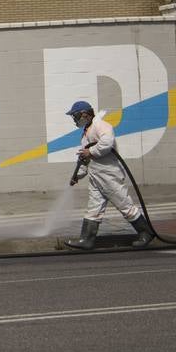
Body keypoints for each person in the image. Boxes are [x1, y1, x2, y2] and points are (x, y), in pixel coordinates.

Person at [64, 100, 155, 250]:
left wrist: (91, 151)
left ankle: (146, 232)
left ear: (85, 114)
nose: (74, 120)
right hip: (96, 176)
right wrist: (78, 175)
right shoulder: (86, 133)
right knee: (94, 208)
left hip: (108, 175)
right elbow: (85, 158)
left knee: (124, 205)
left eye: (75, 116)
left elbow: (107, 142)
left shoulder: (100, 125)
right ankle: (86, 240)